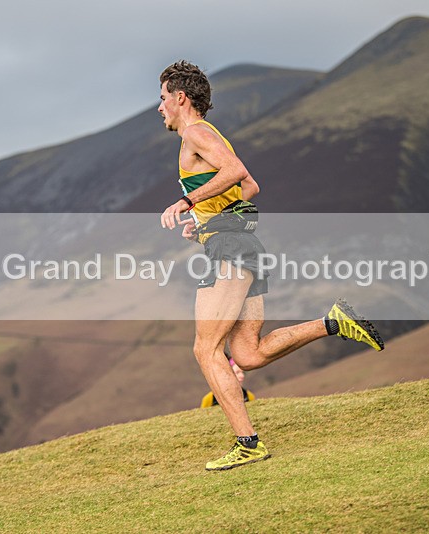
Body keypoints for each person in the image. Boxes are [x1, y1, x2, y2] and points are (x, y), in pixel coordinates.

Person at [158, 60, 384, 471]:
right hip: (243, 244)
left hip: (230, 249)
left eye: (161, 99)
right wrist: (206, 220)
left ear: (180, 98)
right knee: (248, 354)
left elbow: (237, 173)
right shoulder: (210, 135)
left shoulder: (194, 132)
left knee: (205, 349)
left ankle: (248, 444)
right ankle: (333, 322)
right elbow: (250, 188)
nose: (159, 109)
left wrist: (187, 202)